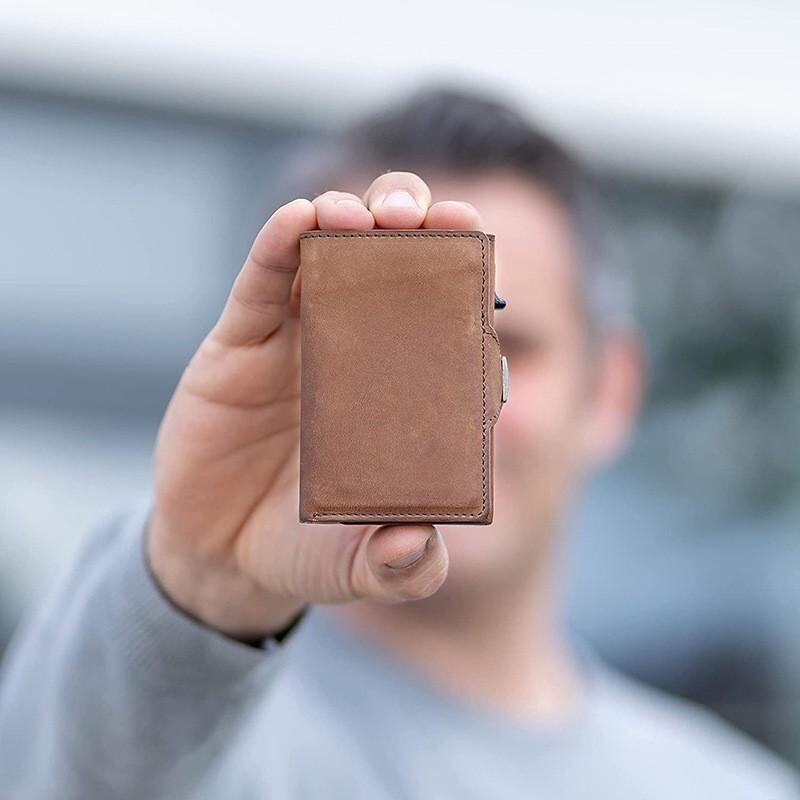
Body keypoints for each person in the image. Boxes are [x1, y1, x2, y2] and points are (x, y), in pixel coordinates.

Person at [0, 85, 797, 800]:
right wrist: (200, 585)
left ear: (610, 389)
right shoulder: (190, 734)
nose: (447, 402)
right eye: (382, 347)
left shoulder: (730, 787)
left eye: (505, 343)